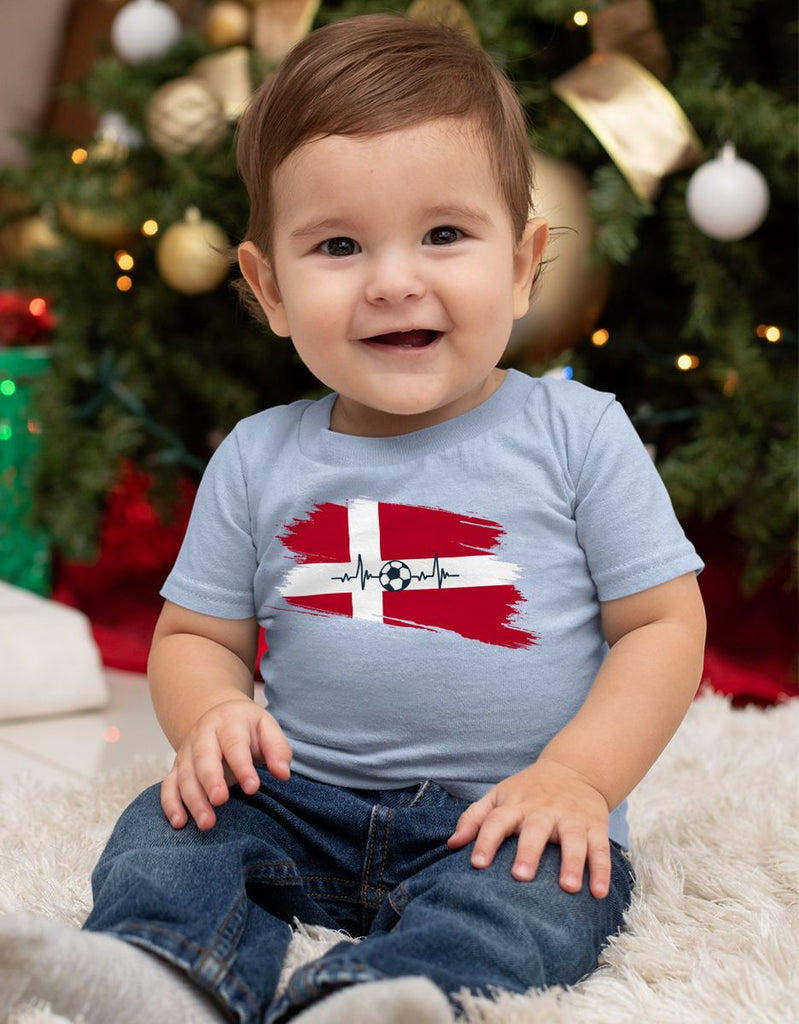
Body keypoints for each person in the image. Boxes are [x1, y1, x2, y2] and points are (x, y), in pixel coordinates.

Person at [0, 13, 706, 1024]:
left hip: (501, 816)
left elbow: (662, 625)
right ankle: (166, 971)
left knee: (547, 898)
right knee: (166, 829)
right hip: (297, 797)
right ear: (268, 286)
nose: (391, 279)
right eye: (337, 244)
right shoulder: (258, 456)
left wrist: (576, 778)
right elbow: (197, 636)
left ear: (522, 261)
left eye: (445, 234)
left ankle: (372, 999)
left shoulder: (577, 433)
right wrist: (211, 720)